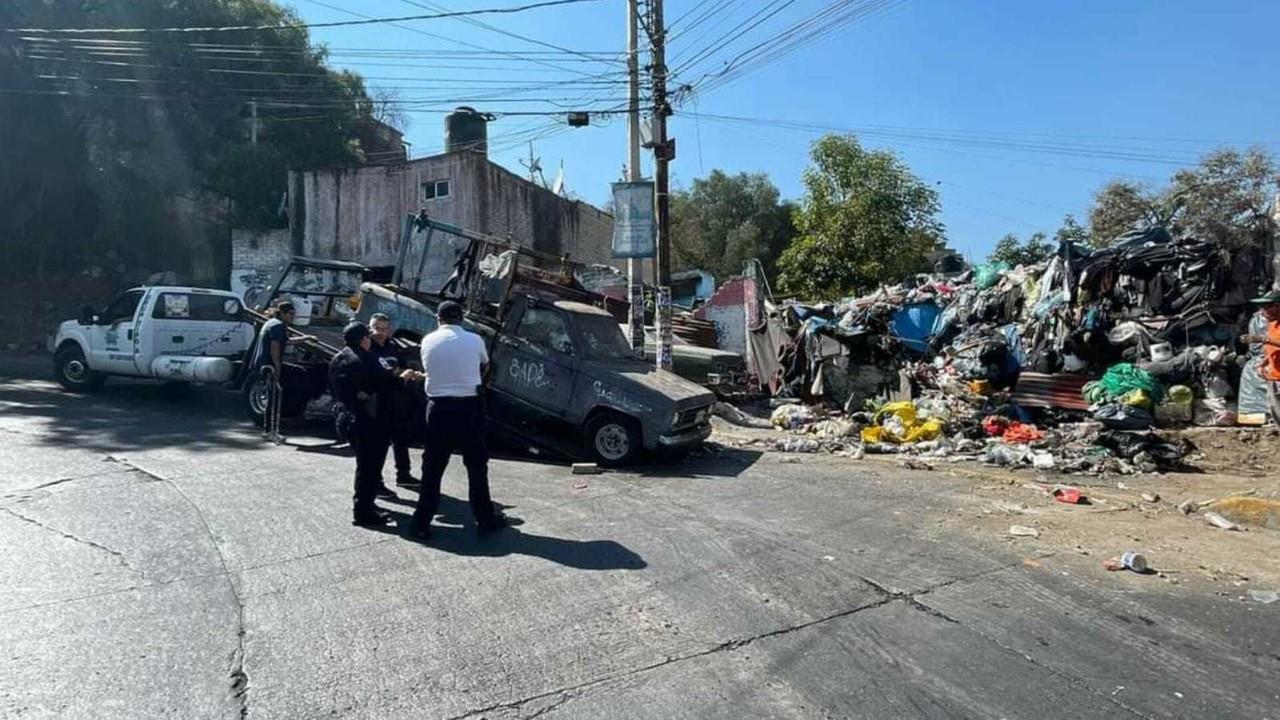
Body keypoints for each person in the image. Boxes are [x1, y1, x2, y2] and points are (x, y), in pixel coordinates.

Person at [408, 301, 513, 540]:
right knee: (476, 467)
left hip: (437, 409)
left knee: (432, 468)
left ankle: (421, 522)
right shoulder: (475, 340)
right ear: (462, 318)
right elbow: (485, 365)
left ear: (438, 318)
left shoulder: (428, 341)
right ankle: (485, 519)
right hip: (469, 408)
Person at [329, 322, 420, 526]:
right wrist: (404, 377)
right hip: (370, 421)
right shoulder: (369, 359)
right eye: (368, 337)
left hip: (346, 419)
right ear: (364, 339)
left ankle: (365, 504)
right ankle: (363, 511)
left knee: (364, 466)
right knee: (370, 468)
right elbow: (389, 383)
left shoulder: (338, 358)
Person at [368, 313, 423, 488]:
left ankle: (404, 475)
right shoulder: (368, 348)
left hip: (396, 399)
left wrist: (408, 374)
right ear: (370, 328)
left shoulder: (392, 346)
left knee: (400, 438)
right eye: (377, 328)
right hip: (377, 401)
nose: (380, 333)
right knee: (378, 445)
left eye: (384, 329)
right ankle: (376, 481)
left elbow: (398, 367)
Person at [249, 301, 312, 436]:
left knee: (299, 372)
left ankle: (284, 418)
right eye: (290, 314)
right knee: (274, 398)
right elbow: (275, 346)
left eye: (293, 314)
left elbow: (286, 341)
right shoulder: (278, 326)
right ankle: (270, 430)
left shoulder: (272, 323)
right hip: (269, 365)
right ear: (282, 313)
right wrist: (277, 367)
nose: (292, 317)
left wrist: (305, 338)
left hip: (264, 364)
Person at [1241, 289, 1280, 425]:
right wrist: (1263, 363)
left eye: (1265, 307)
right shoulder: (1271, 324)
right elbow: (1271, 349)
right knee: (1277, 415)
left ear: (1277, 306)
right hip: (1273, 377)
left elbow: (1271, 341)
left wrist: (1262, 338)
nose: (1262, 311)